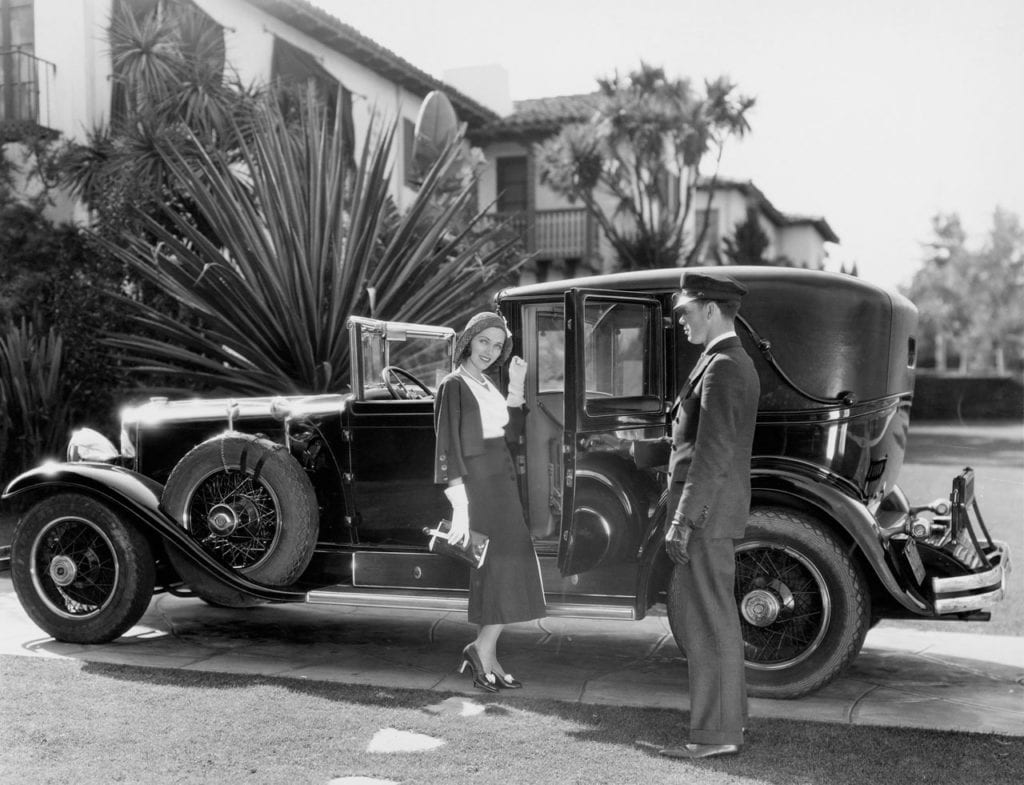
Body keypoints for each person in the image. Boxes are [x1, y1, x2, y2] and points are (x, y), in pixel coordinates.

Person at [659, 271, 760, 761]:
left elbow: (713, 456)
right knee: (712, 617)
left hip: (705, 515)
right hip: (711, 512)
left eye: (687, 311)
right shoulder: (720, 361)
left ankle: (716, 734)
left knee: (707, 621)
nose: (681, 320)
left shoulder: (723, 366)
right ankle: (728, 721)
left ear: (712, 310)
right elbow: (694, 443)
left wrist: (684, 519)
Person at [434, 311, 547, 692]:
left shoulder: (485, 383)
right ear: (469, 340)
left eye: (497, 345)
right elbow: (447, 446)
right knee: (500, 569)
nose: (490, 350)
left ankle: (487, 652)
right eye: (484, 341)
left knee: (504, 569)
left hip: (502, 485)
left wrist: (516, 385)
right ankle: (482, 650)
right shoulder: (454, 385)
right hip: (479, 488)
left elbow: (510, 433)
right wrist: (460, 506)